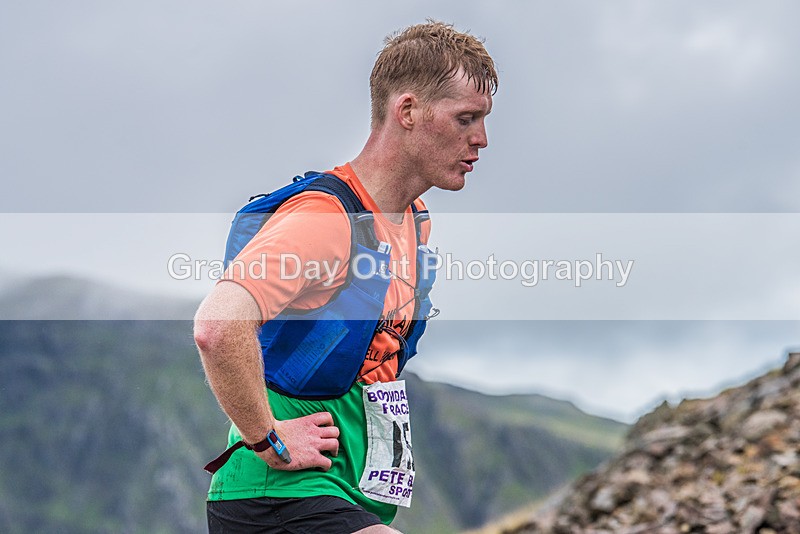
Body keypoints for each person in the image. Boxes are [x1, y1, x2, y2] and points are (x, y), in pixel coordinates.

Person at [194, 20, 497, 533]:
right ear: (407, 111)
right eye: (466, 118)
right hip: (282, 496)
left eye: (483, 120)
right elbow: (217, 326)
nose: (482, 140)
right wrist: (266, 437)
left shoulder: (412, 221)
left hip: (347, 495)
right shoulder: (326, 219)